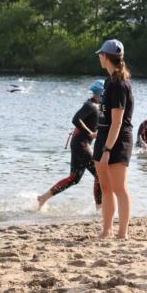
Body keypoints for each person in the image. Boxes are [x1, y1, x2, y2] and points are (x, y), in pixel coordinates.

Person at [37, 80, 104, 210]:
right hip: (81, 144)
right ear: (101, 92)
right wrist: (90, 133)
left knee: (74, 178)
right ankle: (99, 208)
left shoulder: (99, 106)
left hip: (80, 144)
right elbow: (75, 119)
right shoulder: (90, 105)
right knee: (99, 174)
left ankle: (43, 197)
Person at [93, 39, 134, 239]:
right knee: (106, 188)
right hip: (103, 137)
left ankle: (122, 233)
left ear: (107, 57)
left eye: (101, 54)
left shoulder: (119, 84)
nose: (99, 57)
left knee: (120, 188)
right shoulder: (109, 81)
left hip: (118, 141)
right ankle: (106, 230)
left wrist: (108, 150)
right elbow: (106, 117)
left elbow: (117, 123)